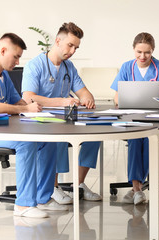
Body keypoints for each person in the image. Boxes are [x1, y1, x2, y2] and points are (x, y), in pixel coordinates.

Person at [0, 33, 66, 219]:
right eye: (16, 56)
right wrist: (25, 108)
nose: (18, 62)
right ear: (3, 50)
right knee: (26, 142)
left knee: (48, 140)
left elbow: (17, 102)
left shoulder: (3, 75)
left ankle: (43, 198)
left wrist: (32, 109)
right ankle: (23, 205)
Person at [22, 22, 102, 204]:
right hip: (40, 119)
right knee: (58, 133)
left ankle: (79, 184)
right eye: (70, 45)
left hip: (63, 116)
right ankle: (53, 187)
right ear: (58, 41)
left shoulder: (69, 67)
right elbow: (28, 98)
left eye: (76, 47)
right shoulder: (35, 65)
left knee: (96, 132)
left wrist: (87, 98)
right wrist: (63, 102)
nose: (73, 51)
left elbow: (84, 92)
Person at [110, 32, 159, 205]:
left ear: (152, 50)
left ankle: (136, 188)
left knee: (148, 140)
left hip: (155, 117)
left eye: (147, 52)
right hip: (131, 116)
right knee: (134, 140)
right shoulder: (126, 67)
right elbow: (116, 98)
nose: (142, 56)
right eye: (139, 52)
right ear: (133, 49)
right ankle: (137, 188)